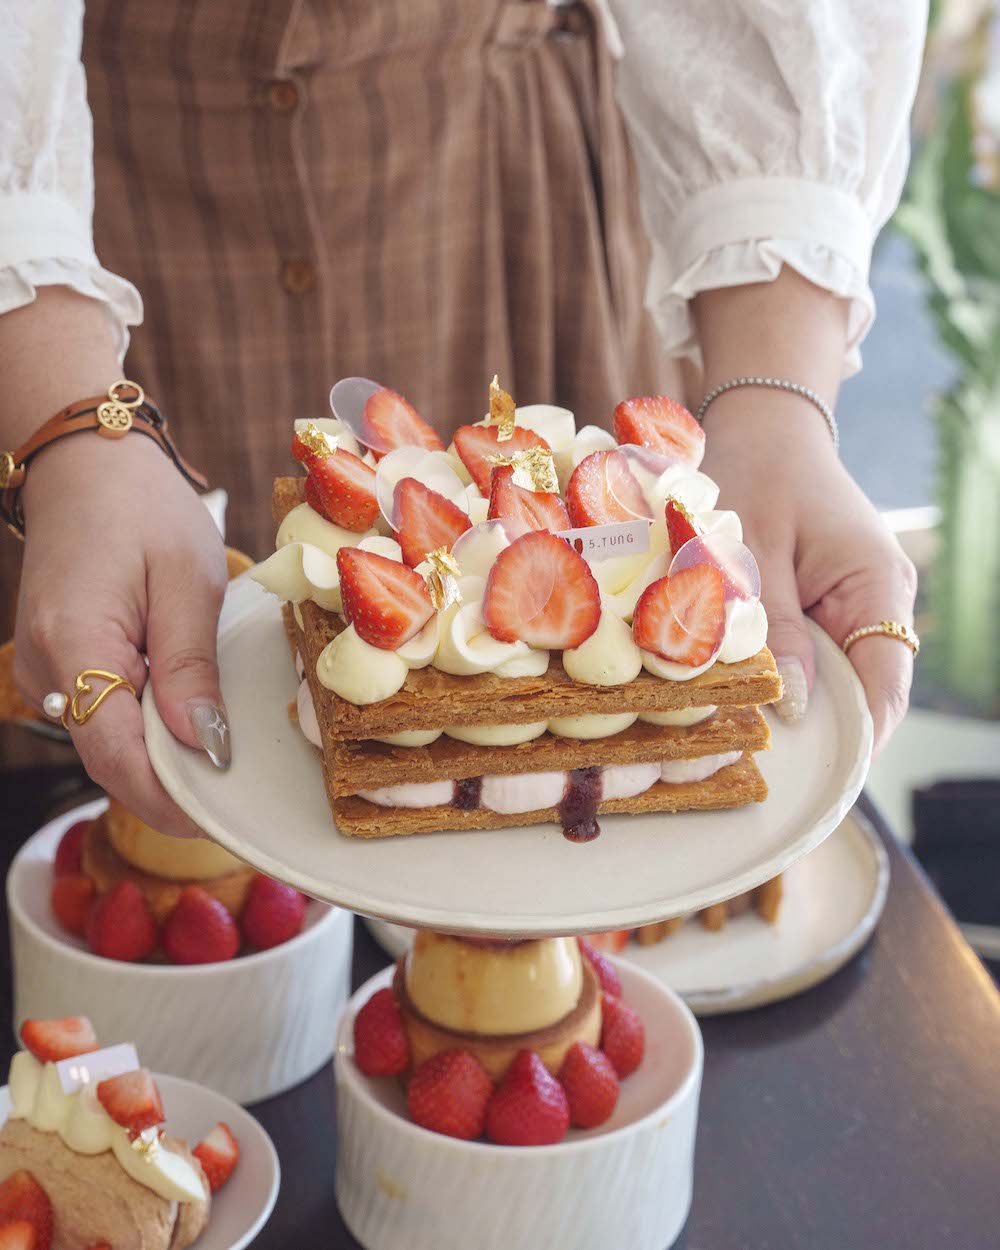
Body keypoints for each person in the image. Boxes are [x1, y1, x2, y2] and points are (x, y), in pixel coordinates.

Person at [0, 1, 926, 837]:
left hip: (496, 180)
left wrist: (778, 405)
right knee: (129, 792)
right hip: (88, 222)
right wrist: (66, 415)